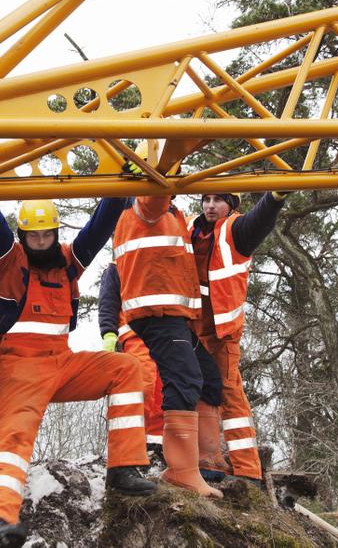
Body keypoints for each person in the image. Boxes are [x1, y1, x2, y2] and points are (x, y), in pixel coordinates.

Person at [0, 198, 155, 548]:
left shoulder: (69, 261)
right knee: (14, 437)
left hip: (63, 362)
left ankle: (124, 468)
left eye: (46, 235)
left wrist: (118, 194)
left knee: (126, 368)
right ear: (21, 235)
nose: (40, 242)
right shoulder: (8, 259)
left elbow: (98, 229)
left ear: (55, 233)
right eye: (33, 236)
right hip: (21, 366)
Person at [113, 184, 224, 499]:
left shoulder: (171, 212)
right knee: (185, 380)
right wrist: (172, 151)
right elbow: (156, 188)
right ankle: (182, 470)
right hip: (156, 312)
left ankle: (202, 461)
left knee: (207, 379)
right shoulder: (147, 204)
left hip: (173, 314)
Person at [188, 191, 286, 485]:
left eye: (218, 200)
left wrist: (275, 198)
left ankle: (247, 470)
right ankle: (207, 461)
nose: (209, 205)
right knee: (192, 391)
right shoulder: (188, 227)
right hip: (188, 326)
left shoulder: (235, 230)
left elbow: (261, 220)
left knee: (229, 394)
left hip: (220, 332)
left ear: (231, 205)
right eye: (205, 199)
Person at [98, 263, 165, 455]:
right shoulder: (117, 267)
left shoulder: (158, 259)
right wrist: (109, 333)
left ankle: (156, 443)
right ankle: (129, 444)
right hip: (135, 336)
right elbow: (108, 303)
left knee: (162, 391)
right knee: (140, 386)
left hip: (163, 336)